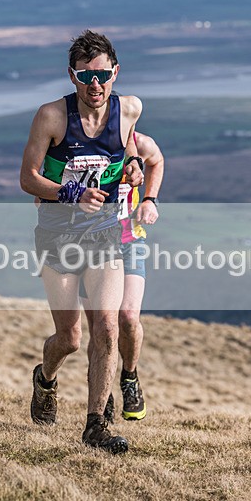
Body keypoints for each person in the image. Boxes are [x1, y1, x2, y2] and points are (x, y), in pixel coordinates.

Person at [19, 30, 144, 454]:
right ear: (72, 77)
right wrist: (71, 193)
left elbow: (126, 150)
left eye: (103, 75)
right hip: (58, 233)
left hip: (105, 231)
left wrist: (134, 167)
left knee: (106, 325)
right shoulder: (51, 117)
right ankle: (46, 378)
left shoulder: (130, 109)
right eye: (85, 76)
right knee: (70, 337)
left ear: (116, 73)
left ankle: (96, 425)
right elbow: (27, 178)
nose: (96, 85)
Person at [83, 131, 163, 423]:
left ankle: (129, 376)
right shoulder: (79, 146)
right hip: (88, 244)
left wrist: (151, 200)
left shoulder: (140, 143)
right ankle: (101, 399)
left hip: (129, 241)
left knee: (128, 316)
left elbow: (157, 161)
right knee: (100, 328)